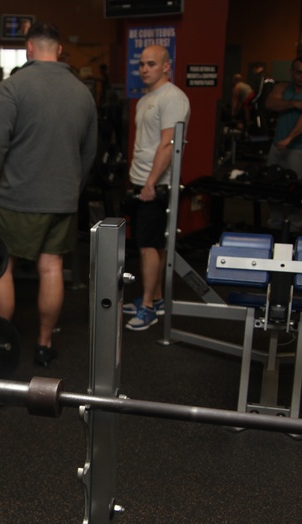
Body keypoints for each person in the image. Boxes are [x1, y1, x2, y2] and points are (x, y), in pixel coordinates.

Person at [0, 22, 97, 366]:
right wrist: (71, 188)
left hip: (16, 197)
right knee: (51, 268)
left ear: (29, 48)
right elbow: (89, 153)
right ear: (59, 49)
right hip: (62, 198)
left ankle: (2, 345)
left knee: (2, 266)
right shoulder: (82, 92)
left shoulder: (13, 87)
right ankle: (44, 345)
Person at [123, 44, 190, 332]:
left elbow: (168, 144)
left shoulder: (173, 98)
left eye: (151, 64)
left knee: (147, 246)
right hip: (140, 180)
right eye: (142, 65)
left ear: (166, 66)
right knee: (150, 245)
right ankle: (157, 298)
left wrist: (151, 183)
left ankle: (148, 306)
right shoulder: (145, 99)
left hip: (156, 184)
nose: (145, 69)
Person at [263, 57, 302, 237]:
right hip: (278, 144)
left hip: (298, 147)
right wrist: (294, 104)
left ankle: (294, 228)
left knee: (297, 189)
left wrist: (289, 139)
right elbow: (270, 103)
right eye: (299, 72)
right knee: (273, 185)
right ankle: (274, 224)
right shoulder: (282, 88)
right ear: (292, 72)